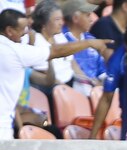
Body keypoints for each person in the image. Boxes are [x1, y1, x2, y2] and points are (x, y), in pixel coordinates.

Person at [0, 8, 110, 139]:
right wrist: (89, 43)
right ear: (9, 31)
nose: (26, 34)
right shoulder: (13, 50)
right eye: (22, 29)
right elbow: (56, 51)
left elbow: (48, 79)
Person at [62, 0, 106, 97]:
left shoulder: (91, 39)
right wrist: (91, 83)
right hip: (73, 91)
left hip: (96, 92)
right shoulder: (61, 38)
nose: (91, 19)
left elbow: (102, 69)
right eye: (87, 15)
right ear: (75, 18)